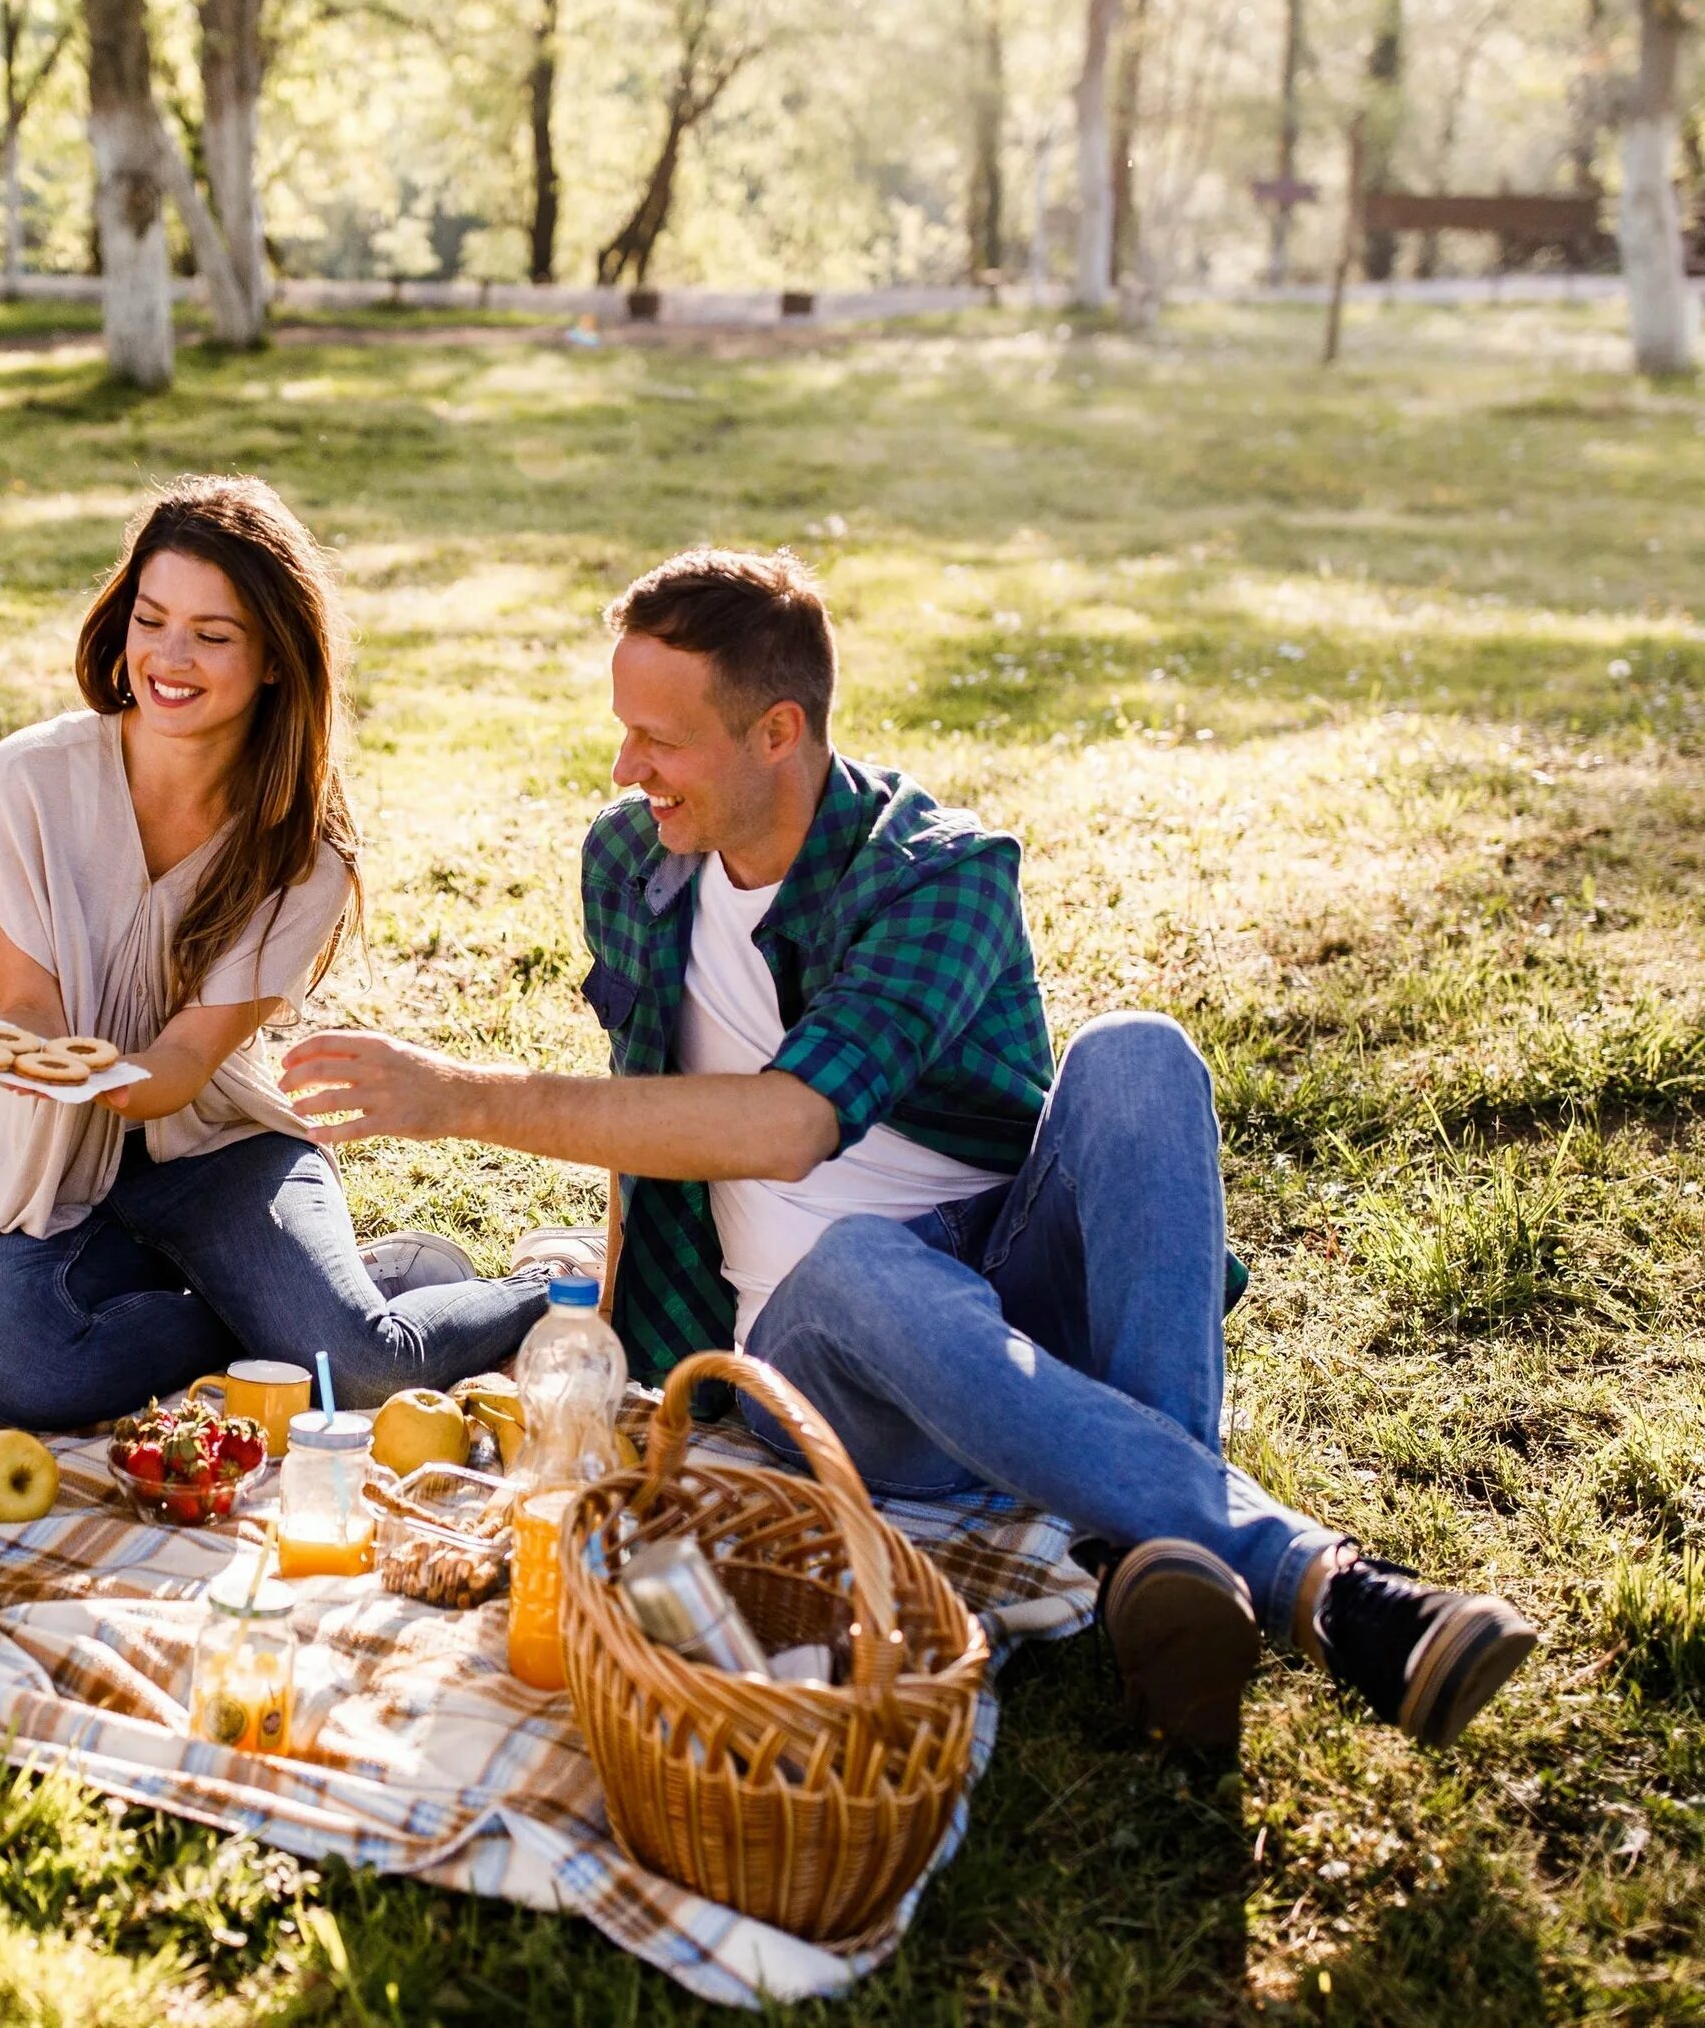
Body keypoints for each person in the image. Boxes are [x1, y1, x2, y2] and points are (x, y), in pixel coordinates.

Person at [280, 549, 1535, 1755]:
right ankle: (1312, 1581)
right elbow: (646, 1111)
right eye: (626, 731)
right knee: (865, 1258)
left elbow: (788, 1125)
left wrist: (459, 1095)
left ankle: (1164, 1554)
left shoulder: (937, 874)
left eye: (661, 739)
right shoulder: (633, 860)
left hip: (1014, 1298)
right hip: (823, 1358)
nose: (627, 766)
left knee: (1141, 1052)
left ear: (778, 730)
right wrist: (611, 1345)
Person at [0, 476, 549, 1431]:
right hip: (53, 1168)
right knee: (23, 1368)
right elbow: (29, 1004)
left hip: (216, 1146)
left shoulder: (305, 852)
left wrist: (92, 1079)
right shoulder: (29, 778)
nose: (170, 659)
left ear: (272, 659)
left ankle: (549, 1285)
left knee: (362, 1368)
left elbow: (181, 1067)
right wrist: (4, 1055)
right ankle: (271, 1315)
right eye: (152, 619)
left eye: (213, 635)